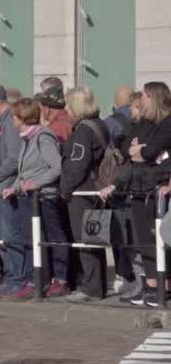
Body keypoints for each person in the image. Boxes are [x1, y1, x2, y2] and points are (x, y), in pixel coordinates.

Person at [1, 99, 63, 300]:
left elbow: (56, 167)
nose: (12, 120)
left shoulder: (42, 137)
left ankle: (59, 279)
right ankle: (34, 280)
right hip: (28, 198)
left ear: (23, 117)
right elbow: (25, 171)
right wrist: (14, 187)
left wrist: (37, 183)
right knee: (30, 239)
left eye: (14, 116)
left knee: (52, 237)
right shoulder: (26, 139)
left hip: (44, 198)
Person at [117, 82, 171, 306]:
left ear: (154, 97)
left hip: (156, 186)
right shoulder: (145, 122)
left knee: (160, 238)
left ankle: (163, 285)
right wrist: (138, 150)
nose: (142, 100)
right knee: (144, 240)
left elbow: (149, 151)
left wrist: (142, 150)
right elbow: (126, 148)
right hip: (139, 186)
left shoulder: (167, 123)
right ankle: (150, 285)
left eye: (146, 96)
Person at [60, 86, 115, 302]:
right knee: (95, 237)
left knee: (84, 239)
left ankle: (91, 287)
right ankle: (97, 285)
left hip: (83, 191)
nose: (65, 108)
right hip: (95, 188)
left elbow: (77, 165)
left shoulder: (83, 130)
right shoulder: (99, 124)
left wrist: (65, 190)